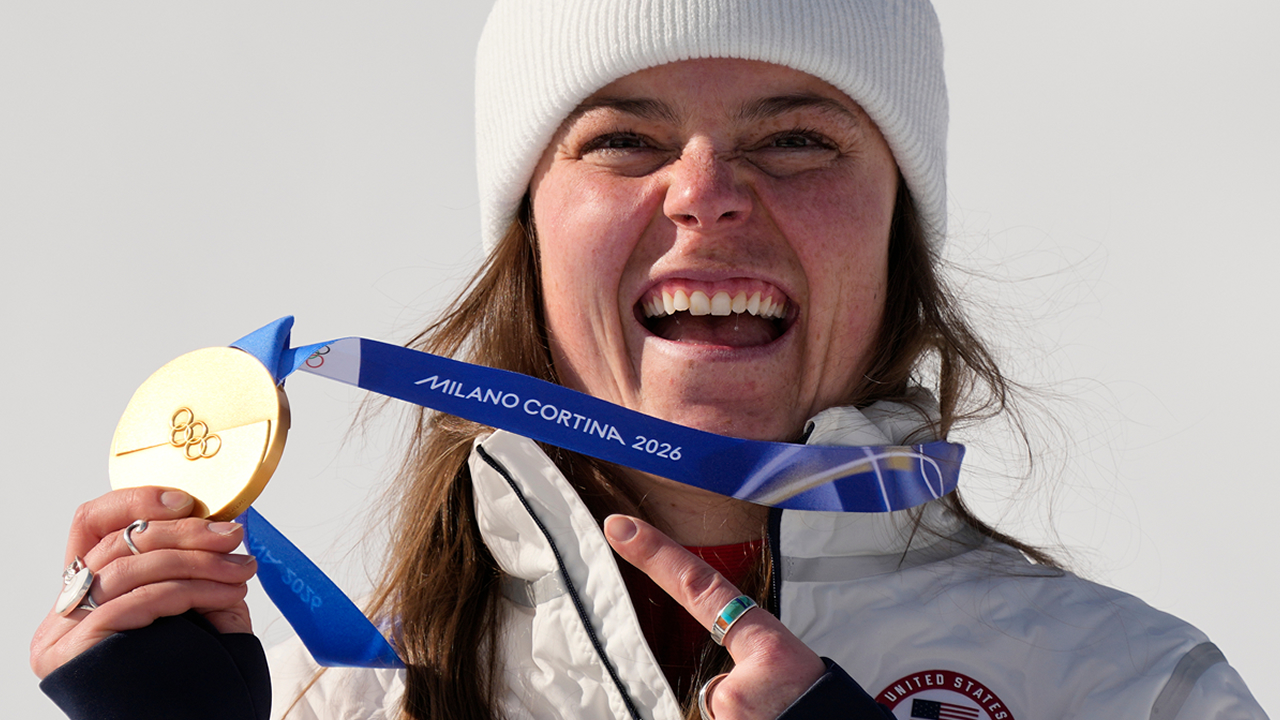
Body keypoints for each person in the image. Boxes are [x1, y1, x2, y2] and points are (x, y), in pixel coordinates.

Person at [31, 1, 1270, 719]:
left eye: (794, 138)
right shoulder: (352, 700)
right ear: (528, 234)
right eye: (623, 140)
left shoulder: (1127, 687)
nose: (706, 194)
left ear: (899, 230)